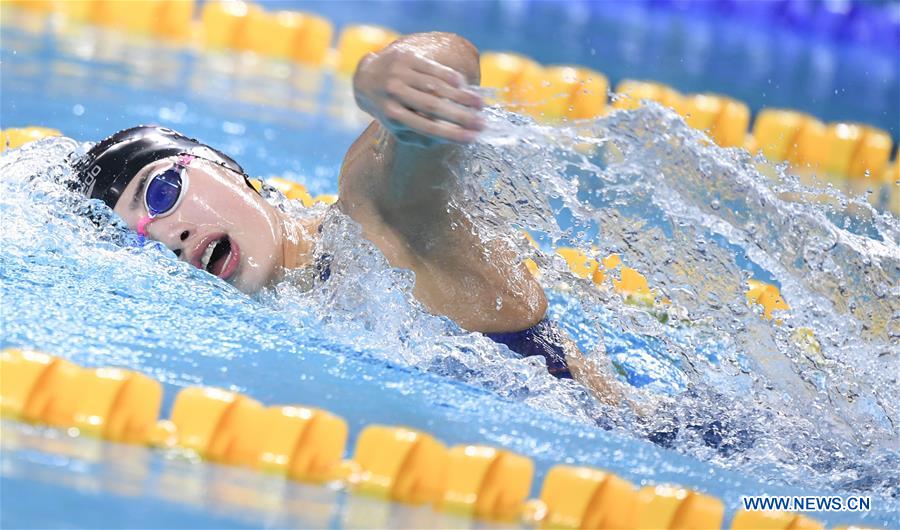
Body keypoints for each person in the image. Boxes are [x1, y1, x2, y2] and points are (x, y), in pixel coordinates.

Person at [70, 32, 623, 404]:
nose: (168, 237)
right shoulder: (295, 309)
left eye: (162, 192)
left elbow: (425, 116)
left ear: (225, 168)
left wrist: (386, 78)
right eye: (138, 241)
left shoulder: (368, 225)